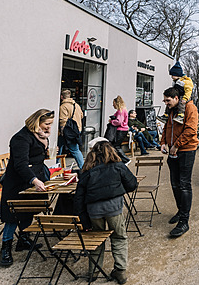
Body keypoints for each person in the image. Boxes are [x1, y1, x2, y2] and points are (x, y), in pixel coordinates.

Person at [74, 137, 138, 285]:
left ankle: (94, 271)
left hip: (93, 211)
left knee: (96, 239)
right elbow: (132, 185)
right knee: (119, 237)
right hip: (114, 208)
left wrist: (82, 218)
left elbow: (79, 197)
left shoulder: (87, 170)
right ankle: (120, 271)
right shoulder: (118, 166)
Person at [0, 109, 54, 267]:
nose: (49, 127)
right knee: (12, 215)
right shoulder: (21, 138)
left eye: (51, 124)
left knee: (28, 210)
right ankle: (5, 249)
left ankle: (23, 240)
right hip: (17, 182)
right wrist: (34, 180)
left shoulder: (40, 136)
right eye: (47, 124)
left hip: (33, 180)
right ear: (37, 122)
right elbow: (20, 164)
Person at [160, 86, 198, 237]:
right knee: (174, 183)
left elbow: (190, 130)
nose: (165, 103)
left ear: (176, 98)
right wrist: (163, 142)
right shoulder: (172, 110)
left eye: (167, 100)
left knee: (184, 184)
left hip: (186, 151)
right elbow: (166, 128)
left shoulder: (190, 108)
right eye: (164, 100)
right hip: (173, 151)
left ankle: (184, 220)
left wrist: (176, 145)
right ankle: (180, 210)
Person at [58, 89, 85, 168]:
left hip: (67, 132)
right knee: (75, 150)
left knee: (59, 150)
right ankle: (82, 167)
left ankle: (55, 167)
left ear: (61, 96)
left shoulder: (63, 106)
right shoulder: (76, 105)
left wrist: (62, 132)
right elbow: (81, 115)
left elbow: (63, 120)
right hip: (76, 130)